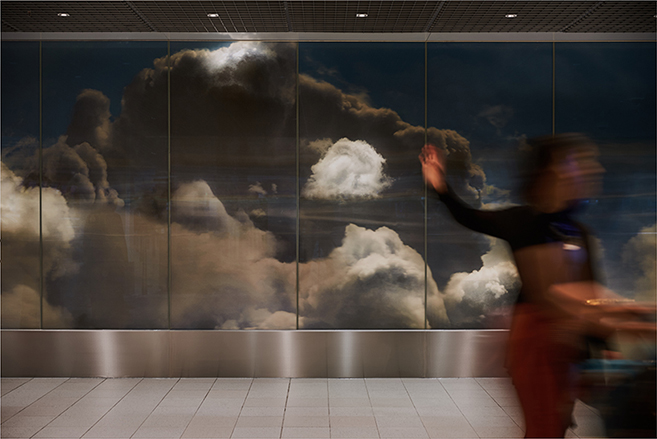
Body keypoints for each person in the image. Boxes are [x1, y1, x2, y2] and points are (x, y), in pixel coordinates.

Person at [420, 134, 653, 438]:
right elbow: (470, 217)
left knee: (554, 425)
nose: (594, 169)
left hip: (569, 344)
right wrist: (439, 185)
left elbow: (590, 289)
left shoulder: (578, 231)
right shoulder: (524, 222)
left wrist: (605, 344)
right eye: (580, 161)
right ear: (551, 170)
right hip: (536, 346)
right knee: (545, 427)